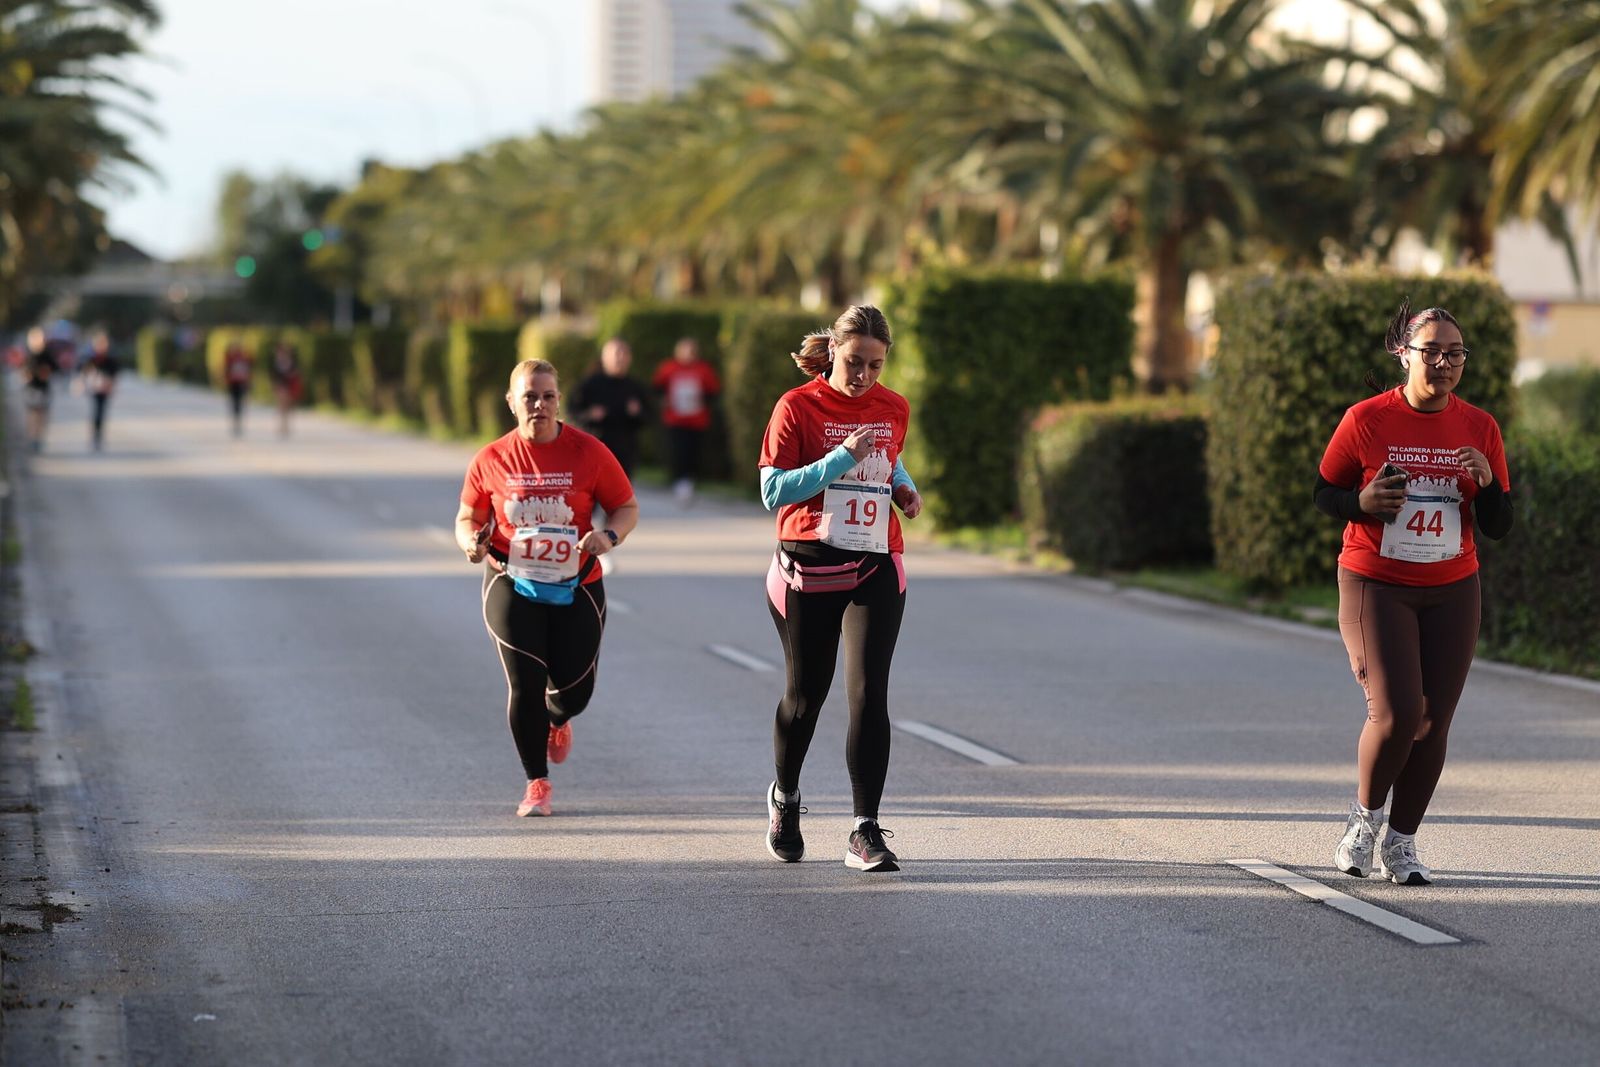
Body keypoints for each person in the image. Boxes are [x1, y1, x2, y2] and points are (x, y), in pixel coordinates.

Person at [1315, 299, 1513, 886]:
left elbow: (1500, 524)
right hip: (1377, 582)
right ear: (1404, 354)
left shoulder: (1481, 427)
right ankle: (1364, 820)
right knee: (1398, 713)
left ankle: (1402, 842)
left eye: (1456, 353)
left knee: (1435, 722)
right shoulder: (1366, 419)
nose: (1445, 363)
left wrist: (1486, 486)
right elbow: (1325, 493)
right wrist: (1362, 503)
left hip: (1453, 587)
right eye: (1433, 352)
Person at [757, 305, 923, 873]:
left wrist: (905, 489)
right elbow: (773, 490)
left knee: (869, 692)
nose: (865, 377)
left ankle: (864, 829)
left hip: (876, 559)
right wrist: (837, 459)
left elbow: (890, 461)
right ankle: (785, 797)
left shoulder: (893, 407)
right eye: (855, 363)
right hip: (809, 564)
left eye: (876, 365)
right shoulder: (795, 407)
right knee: (807, 696)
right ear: (833, 351)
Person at [455, 359, 639, 818]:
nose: (539, 405)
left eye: (548, 396)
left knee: (575, 692)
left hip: (577, 583)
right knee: (525, 682)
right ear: (511, 402)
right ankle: (536, 781)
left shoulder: (589, 452)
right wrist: (471, 545)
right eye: (530, 396)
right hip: (510, 581)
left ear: (559, 400)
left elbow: (625, 506)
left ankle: (558, 719)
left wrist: (609, 537)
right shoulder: (492, 458)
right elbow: (466, 518)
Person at [651, 337, 721, 504]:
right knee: (677, 451)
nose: (689, 354)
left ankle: (690, 481)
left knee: (693, 452)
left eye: (692, 350)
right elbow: (657, 388)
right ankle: (678, 481)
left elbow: (713, 392)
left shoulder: (703, 369)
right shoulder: (669, 368)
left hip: (697, 420)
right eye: (685, 350)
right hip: (674, 419)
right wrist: (663, 401)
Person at [572, 338, 650, 475]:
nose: (620, 359)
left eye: (624, 354)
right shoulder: (589, 385)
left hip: (625, 452)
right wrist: (589, 415)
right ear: (604, 357)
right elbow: (573, 411)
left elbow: (649, 416)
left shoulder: (635, 387)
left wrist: (637, 413)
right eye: (616, 354)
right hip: (596, 449)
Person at [80, 332, 120, 451]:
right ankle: (94, 436)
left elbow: (114, 375)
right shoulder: (92, 359)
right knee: (96, 412)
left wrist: (111, 386)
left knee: (101, 413)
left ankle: (99, 436)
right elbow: (84, 372)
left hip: (105, 390)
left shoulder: (110, 360)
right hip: (94, 389)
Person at [22, 327, 58, 453]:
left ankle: (39, 439)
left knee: (42, 416)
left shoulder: (47, 355)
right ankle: (32, 439)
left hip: (43, 389)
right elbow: (23, 371)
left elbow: (55, 368)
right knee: (32, 416)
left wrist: (47, 371)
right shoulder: (29, 355)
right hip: (31, 389)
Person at [267, 338, 303, 438]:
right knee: (281, 405)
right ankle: (282, 425)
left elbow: (296, 373)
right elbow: (273, 375)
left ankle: (286, 425)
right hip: (280, 386)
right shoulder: (275, 363)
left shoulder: (291, 362)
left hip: (289, 385)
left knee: (287, 406)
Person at [222, 335, 254, 437]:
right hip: (233, 383)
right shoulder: (230, 358)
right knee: (234, 403)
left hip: (242, 382)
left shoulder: (244, 357)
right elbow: (226, 370)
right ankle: (236, 422)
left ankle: (238, 422)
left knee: (240, 403)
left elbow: (249, 368)